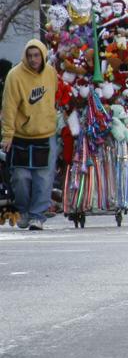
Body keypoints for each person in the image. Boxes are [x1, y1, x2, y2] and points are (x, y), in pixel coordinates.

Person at [1, 40, 58, 230]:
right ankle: (23, 211)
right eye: (30, 55)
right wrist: (7, 135)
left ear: (43, 55)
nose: (34, 59)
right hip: (21, 136)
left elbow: (55, 97)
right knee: (20, 177)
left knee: (44, 178)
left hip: (46, 133)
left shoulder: (51, 73)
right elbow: (9, 107)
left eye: (37, 55)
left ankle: (37, 216)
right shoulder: (14, 76)